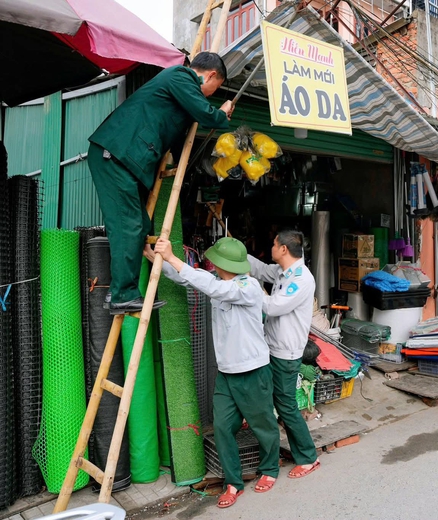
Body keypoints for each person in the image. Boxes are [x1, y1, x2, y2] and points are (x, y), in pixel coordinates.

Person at [89, 52, 234, 314]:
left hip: (122, 158)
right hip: (115, 154)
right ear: (211, 75)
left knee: (140, 225)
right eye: (217, 86)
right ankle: (123, 295)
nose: (214, 93)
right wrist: (222, 114)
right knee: (128, 226)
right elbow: (207, 114)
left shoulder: (179, 89)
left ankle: (118, 292)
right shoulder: (180, 76)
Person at [146, 236, 280, 508]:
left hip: (253, 371)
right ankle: (233, 482)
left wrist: (172, 257)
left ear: (222, 262)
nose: (211, 264)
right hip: (227, 373)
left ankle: (270, 470)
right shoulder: (218, 282)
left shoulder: (249, 286)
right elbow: (191, 278)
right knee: (221, 428)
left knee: (263, 426)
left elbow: (212, 287)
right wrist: (155, 258)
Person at [248, 230, 320, 485]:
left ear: (284, 250)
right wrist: (237, 254)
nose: (272, 246)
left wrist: (251, 287)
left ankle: (308, 457)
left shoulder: (301, 280)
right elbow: (261, 269)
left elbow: (272, 306)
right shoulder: (283, 271)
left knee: (287, 405)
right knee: (277, 403)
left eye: (274, 244)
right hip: (272, 348)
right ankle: (291, 453)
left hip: (285, 353)